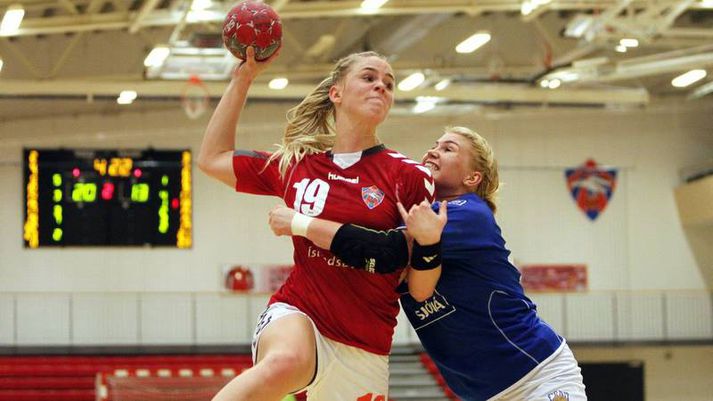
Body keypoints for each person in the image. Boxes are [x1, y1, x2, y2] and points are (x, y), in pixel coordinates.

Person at [268, 126, 588, 401]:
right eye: (434, 145)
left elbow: (383, 248)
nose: (433, 151)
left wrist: (299, 222)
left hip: (538, 375)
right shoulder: (418, 214)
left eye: (448, 149)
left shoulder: (466, 212)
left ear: (472, 176)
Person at [197, 46, 435, 401]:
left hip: (364, 343)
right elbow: (212, 158)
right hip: (299, 312)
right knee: (286, 361)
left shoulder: (409, 177)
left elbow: (412, 273)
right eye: (369, 78)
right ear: (335, 93)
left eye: (389, 83)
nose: (381, 87)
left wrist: (301, 223)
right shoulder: (298, 165)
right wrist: (242, 79)